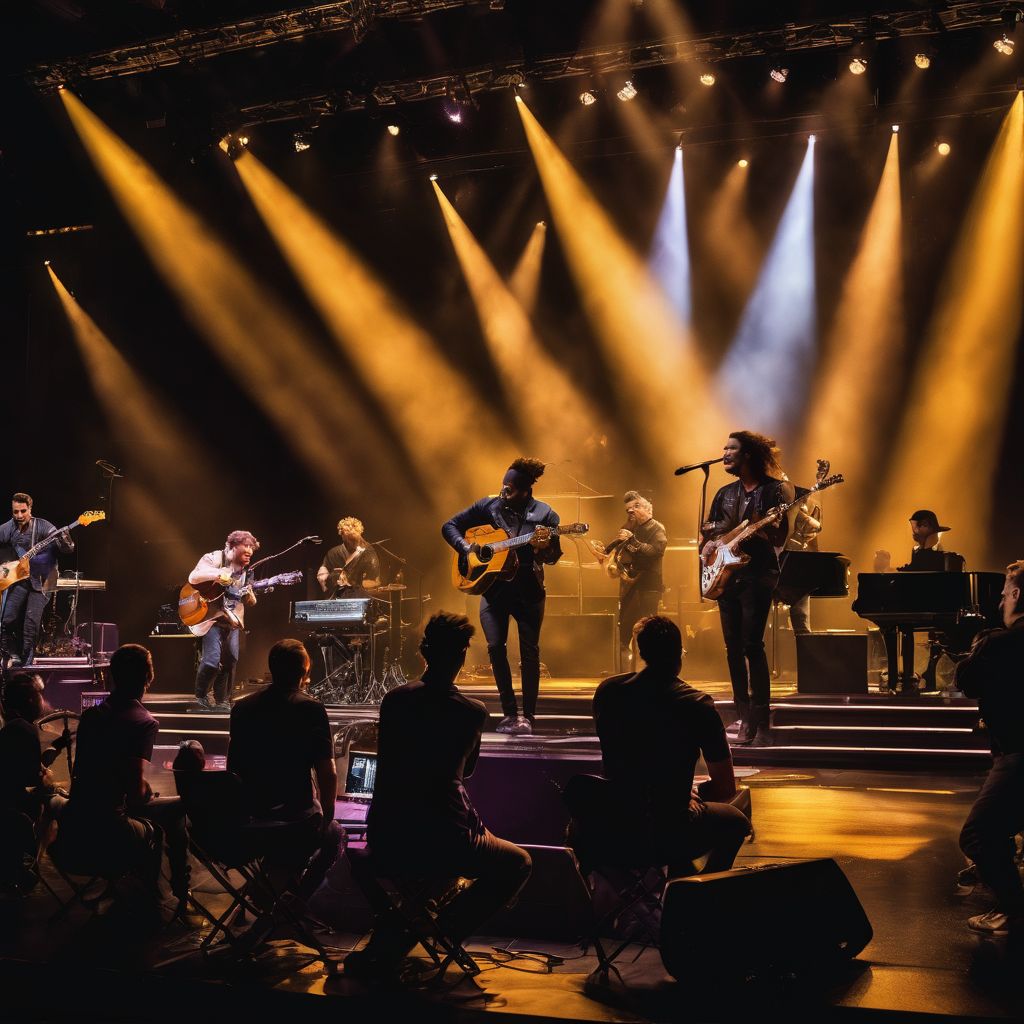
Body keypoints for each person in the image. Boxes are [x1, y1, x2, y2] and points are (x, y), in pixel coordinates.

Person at [347, 612, 532, 980]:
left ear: (424, 651)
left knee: (420, 868)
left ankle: (403, 929)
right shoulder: (472, 711)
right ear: (463, 655)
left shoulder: (395, 700)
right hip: (445, 839)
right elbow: (466, 773)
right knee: (519, 862)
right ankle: (443, 928)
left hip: (388, 836)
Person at [590, 616, 751, 876]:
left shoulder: (608, 693)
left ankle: (664, 889)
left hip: (613, 823)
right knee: (737, 818)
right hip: (667, 829)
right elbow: (724, 787)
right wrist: (684, 793)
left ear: (640, 652)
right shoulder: (697, 704)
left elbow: (626, 761)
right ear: (680, 654)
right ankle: (695, 895)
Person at [54, 644, 189, 909]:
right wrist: (145, 790)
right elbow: (137, 798)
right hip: (110, 832)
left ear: (113, 676)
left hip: (74, 832)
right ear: (149, 676)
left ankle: (131, 890)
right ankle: (174, 896)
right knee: (176, 810)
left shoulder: (92, 716)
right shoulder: (143, 721)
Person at [442, 457, 562, 735]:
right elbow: (449, 526)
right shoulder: (489, 505)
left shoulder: (546, 514)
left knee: (529, 652)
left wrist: (544, 549)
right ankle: (509, 713)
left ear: (525, 491)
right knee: (496, 648)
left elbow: (554, 556)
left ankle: (528, 716)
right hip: (493, 590)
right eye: (503, 486)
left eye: (510, 489)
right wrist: (467, 548)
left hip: (529, 591)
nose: (503, 493)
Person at [228, 638, 343, 902]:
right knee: (335, 834)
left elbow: (232, 769)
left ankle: (272, 885)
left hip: (250, 820)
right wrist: (326, 819)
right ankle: (294, 903)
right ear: (304, 672)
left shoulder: (242, 708)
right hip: (293, 820)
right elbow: (328, 773)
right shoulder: (310, 708)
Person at [701, 432, 792, 746]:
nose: (724, 452)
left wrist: (768, 527)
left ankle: (760, 717)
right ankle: (741, 715)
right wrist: (712, 544)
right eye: (724, 447)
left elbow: (780, 538)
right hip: (727, 575)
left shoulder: (774, 491)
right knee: (733, 648)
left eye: (732, 448)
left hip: (758, 574)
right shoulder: (724, 493)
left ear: (749, 455)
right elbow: (710, 529)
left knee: (752, 644)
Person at [953, 560, 1024, 936]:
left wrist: (976, 644)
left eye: (1003, 595)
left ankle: (1014, 911)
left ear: (1015, 594)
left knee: (978, 835)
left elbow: (967, 682)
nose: (1000, 604)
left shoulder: (1002, 641)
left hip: (1018, 754)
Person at [0, 672, 68, 889]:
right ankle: (30, 864)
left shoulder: (14, 726)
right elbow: (33, 777)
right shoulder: (24, 728)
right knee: (53, 807)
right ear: (30, 699)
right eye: (40, 694)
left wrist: (56, 747)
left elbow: (33, 765)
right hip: (10, 804)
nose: (43, 700)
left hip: (9, 799)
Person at [592, 491, 667, 670]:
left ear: (649, 509)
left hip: (648, 587)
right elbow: (620, 550)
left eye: (636, 507)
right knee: (625, 628)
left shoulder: (657, 528)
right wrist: (605, 552)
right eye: (628, 509)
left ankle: (651, 670)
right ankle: (626, 671)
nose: (631, 511)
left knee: (648, 629)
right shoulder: (631, 527)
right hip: (629, 586)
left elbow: (654, 552)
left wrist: (632, 541)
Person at [0, 493, 75, 667]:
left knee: (30, 624)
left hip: (42, 581)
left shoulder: (43, 526)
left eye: (23, 511)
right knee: (6, 619)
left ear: (30, 509)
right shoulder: (9, 527)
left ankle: (27, 665)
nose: (19, 516)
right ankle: (11, 655)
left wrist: (65, 540)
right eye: (15, 512)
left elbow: (67, 549)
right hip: (20, 579)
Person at [188, 530, 260, 711]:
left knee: (230, 660)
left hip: (232, 620)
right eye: (246, 547)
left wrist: (250, 596)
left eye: (252, 548)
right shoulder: (214, 558)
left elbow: (250, 600)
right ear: (232, 546)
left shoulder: (247, 571)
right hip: (211, 617)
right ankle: (201, 696)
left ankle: (222, 701)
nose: (250, 551)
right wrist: (218, 574)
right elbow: (193, 577)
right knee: (212, 660)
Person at [778, 460, 827, 636]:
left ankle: (807, 660)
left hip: (794, 565)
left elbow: (813, 528)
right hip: (773, 565)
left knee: (801, 622)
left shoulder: (798, 507)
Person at [873, 510, 960, 573]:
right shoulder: (918, 552)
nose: (915, 530)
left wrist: (888, 570)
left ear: (928, 527)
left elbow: (916, 570)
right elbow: (913, 569)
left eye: (920, 525)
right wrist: (888, 569)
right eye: (915, 526)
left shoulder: (937, 556)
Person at [316, 517, 381, 596]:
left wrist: (352, 581)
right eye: (348, 539)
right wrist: (335, 577)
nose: (351, 542)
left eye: (354, 539)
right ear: (342, 535)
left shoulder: (368, 553)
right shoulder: (333, 553)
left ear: (359, 534)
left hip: (360, 597)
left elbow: (374, 580)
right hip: (337, 598)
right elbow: (322, 577)